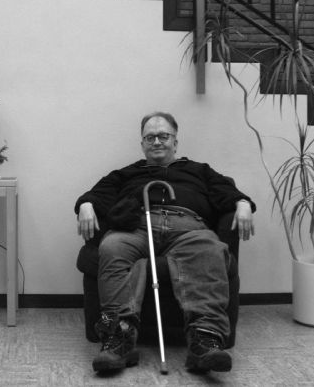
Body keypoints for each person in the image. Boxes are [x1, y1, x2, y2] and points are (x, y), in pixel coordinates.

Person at [74, 111, 255, 374]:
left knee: (209, 249)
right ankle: (118, 337)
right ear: (142, 144)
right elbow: (97, 193)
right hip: (136, 228)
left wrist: (242, 203)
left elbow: (227, 192)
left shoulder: (199, 171)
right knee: (111, 248)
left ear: (175, 142)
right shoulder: (126, 173)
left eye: (163, 136)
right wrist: (86, 204)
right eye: (150, 137)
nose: (157, 141)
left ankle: (204, 340)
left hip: (188, 227)